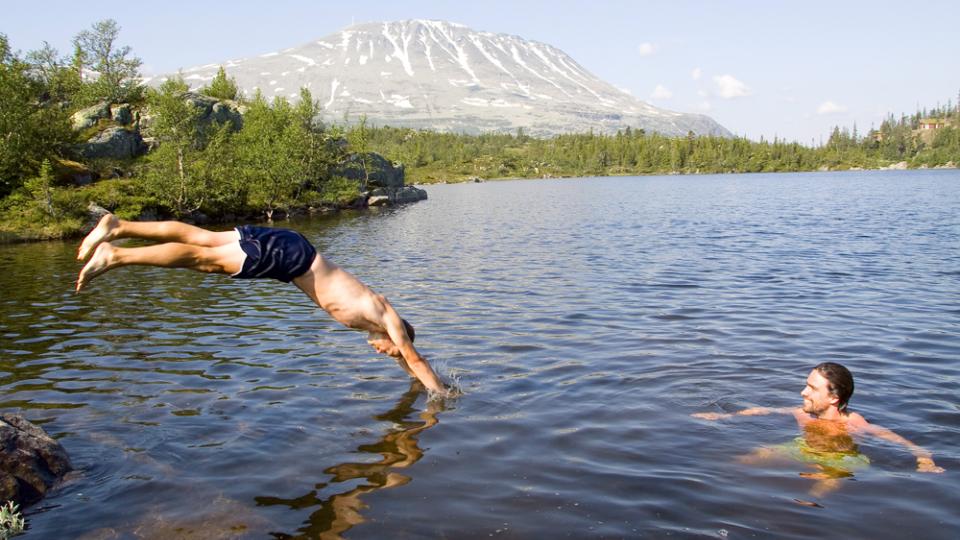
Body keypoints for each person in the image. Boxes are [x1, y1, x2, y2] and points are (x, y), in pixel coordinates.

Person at [76, 214, 450, 395]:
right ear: (398, 336)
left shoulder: (378, 320)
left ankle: (118, 225)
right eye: (391, 351)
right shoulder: (386, 317)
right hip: (290, 259)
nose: (385, 353)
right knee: (201, 259)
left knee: (202, 238)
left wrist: (412, 377)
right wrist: (443, 395)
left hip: (291, 250)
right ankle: (116, 255)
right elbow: (414, 359)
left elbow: (409, 364)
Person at [693, 362, 944, 474]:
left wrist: (925, 460)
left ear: (834, 398)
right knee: (741, 463)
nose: (803, 392)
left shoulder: (853, 423)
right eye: (806, 385)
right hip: (800, 449)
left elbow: (898, 440)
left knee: (820, 489)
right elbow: (763, 410)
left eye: (812, 388)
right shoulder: (803, 413)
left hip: (841, 459)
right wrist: (720, 416)